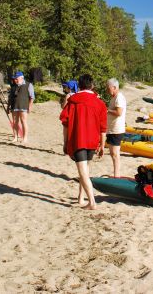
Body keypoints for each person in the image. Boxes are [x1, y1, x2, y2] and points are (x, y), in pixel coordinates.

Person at [60, 74, 107, 209]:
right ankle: (81, 198)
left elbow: (65, 123)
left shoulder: (72, 101)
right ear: (92, 86)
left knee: (83, 172)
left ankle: (92, 202)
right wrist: (102, 145)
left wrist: (65, 142)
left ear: (79, 86)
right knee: (85, 171)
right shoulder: (100, 103)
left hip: (78, 140)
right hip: (93, 141)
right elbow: (103, 127)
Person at [105, 78, 127, 177]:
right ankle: (115, 174)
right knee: (112, 153)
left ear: (114, 87)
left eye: (108, 87)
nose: (106, 89)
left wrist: (107, 110)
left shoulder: (119, 97)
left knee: (115, 154)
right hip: (111, 129)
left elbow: (119, 112)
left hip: (116, 130)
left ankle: (116, 175)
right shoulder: (114, 98)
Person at [8, 71, 35, 143]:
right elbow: (10, 98)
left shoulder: (28, 85)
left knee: (23, 121)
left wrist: (30, 107)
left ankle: (25, 138)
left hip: (23, 106)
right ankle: (15, 137)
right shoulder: (13, 86)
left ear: (21, 78)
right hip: (14, 106)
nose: (15, 80)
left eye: (16, 79)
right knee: (15, 122)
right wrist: (8, 107)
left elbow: (32, 97)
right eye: (14, 79)